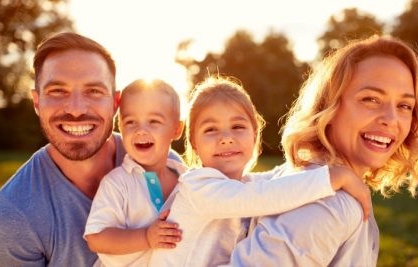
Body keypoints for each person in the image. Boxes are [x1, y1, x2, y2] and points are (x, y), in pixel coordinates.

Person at [224, 36, 418, 266]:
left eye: (404, 105)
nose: (391, 119)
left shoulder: (297, 178)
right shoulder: (329, 205)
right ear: (330, 107)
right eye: (371, 99)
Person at [0, 32, 180, 266]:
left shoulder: (162, 164)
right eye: (57, 91)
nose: (76, 109)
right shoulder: (11, 216)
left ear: (114, 103)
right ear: (37, 102)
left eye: (93, 91)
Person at [149, 76, 372, 267]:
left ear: (254, 134)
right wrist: (333, 177)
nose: (226, 138)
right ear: (194, 143)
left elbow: (272, 179)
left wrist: (315, 162)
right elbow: (263, 195)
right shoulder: (197, 185)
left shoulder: (240, 184)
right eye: (210, 130)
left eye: (237, 127)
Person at [84, 79, 185, 266]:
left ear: (176, 129)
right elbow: (96, 238)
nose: (140, 130)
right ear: (120, 128)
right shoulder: (117, 183)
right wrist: (146, 237)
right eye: (131, 122)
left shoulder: (187, 181)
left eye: (154, 121)